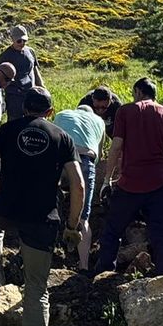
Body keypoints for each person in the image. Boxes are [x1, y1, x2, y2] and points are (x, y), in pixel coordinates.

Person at [0, 86, 84, 326]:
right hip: (41, 218)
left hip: (6, 208)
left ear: (24, 109)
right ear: (50, 112)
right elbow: (78, 186)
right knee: (36, 290)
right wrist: (72, 225)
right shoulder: (62, 138)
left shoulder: (9, 130)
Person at [92, 77, 163, 279]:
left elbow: (116, 147)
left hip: (130, 183)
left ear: (138, 92)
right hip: (161, 182)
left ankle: (104, 276)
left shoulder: (125, 111)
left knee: (113, 230)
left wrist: (107, 180)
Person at [53, 96, 108, 270]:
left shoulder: (62, 114)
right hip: (86, 160)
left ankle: (51, 253)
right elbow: (98, 155)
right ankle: (84, 266)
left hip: (61, 159)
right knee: (84, 217)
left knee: (51, 205)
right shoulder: (99, 121)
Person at [0, 25, 45, 121]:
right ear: (12, 39)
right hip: (14, 97)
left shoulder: (31, 51)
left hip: (31, 94)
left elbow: (35, 70)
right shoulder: (5, 57)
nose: (22, 43)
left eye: (24, 41)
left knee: (33, 122)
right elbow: (0, 79)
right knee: (15, 124)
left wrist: (42, 87)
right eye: (19, 41)